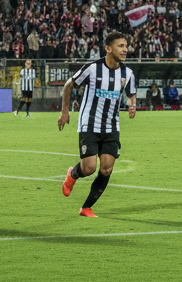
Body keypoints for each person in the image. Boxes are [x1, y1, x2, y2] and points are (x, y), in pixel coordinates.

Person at [58, 32, 137, 218]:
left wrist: (132, 104)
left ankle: (86, 208)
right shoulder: (92, 69)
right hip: (89, 125)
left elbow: (131, 93)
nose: (125, 50)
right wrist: (65, 112)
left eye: (126, 46)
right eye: (120, 46)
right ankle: (73, 174)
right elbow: (69, 85)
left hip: (111, 127)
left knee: (107, 168)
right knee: (89, 168)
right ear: (108, 48)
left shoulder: (128, 73)